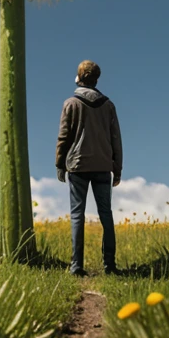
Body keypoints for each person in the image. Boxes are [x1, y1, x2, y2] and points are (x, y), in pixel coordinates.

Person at [55, 59, 122, 276]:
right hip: (103, 166)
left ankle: (76, 266)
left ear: (79, 77)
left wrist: (60, 164)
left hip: (78, 166)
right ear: (96, 79)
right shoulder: (109, 105)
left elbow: (63, 137)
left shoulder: (70, 103)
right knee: (106, 215)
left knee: (77, 216)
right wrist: (117, 168)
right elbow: (116, 140)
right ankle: (109, 265)